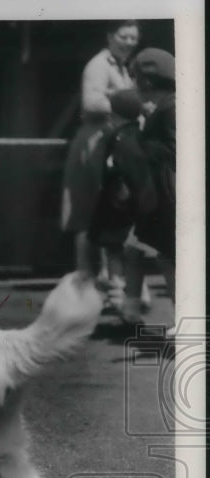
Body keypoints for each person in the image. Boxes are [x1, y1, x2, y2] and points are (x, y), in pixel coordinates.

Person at [60, 20, 139, 274]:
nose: (128, 42)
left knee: (110, 212)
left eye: (133, 38)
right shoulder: (98, 65)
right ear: (110, 37)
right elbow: (92, 102)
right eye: (123, 36)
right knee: (88, 212)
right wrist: (131, 105)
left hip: (112, 141)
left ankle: (108, 281)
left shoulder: (122, 67)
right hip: (95, 142)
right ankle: (86, 279)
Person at [121, 47, 177, 334]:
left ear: (148, 82)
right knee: (166, 255)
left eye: (136, 79)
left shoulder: (171, 109)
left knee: (171, 256)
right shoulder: (164, 108)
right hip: (164, 194)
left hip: (171, 194)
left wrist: (139, 147)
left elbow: (173, 151)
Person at [86, 88, 156, 315]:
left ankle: (118, 299)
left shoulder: (117, 140)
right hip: (138, 208)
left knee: (114, 253)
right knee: (134, 256)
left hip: (117, 207)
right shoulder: (144, 137)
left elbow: (110, 171)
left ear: (117, 116)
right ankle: (136, 300)